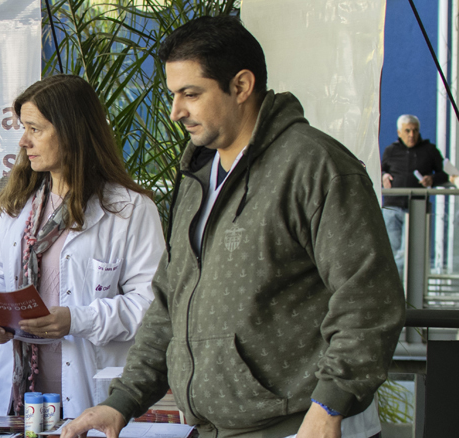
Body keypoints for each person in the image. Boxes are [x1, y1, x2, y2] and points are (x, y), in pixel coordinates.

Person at [62, 16, 404, 438]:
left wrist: (329, 404)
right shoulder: (197, 179)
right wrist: (122, 401)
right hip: (219, 427)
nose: (175, 111)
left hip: (306, 427)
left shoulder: (315, 166)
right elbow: (169, 305)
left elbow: (368, 298)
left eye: (191, 94)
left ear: (241, 86)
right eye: (173, 95)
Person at [0, 75, 164, 417]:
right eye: (24, 129)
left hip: (90, 396)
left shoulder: (129, 209)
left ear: (71, 132)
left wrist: (77, 320)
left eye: (35, 129)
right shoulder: (19, 204)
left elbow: (150, 305)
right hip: (20, 398)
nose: (23, 141)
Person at [380, 114, 450, 277]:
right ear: (399, 132)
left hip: (416, 208)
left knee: (408, 253)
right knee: (391, 251)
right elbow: (380, 170)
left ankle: (402, 288)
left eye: (415, 130)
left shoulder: (429, 150)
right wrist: (383, 176)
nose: (412, 135)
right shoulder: (391, 150)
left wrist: (432, 179)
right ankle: (396, 286)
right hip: (392, 207)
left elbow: (445, 174)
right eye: (407, 131)